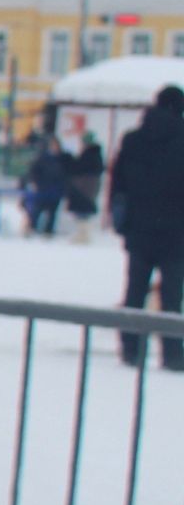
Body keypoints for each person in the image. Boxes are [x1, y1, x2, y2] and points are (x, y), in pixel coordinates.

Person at [110, 85, 184, 370]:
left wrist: (123, 222)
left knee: (134, 292)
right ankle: (173, 353)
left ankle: (130, 349)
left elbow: (118, 185)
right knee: (171, 297)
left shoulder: (133, 139)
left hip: (139, 229)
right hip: (176, 234)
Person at [65, 124, 107, 244]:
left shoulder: (91, 154)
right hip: (87, 186)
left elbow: (81, 168)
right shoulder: (95, 153)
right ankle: (82, 234)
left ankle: (84, 235)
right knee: (83, 211)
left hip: (85, 187)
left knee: (83, 210)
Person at [22, 131, 68, 236]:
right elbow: (34, 171)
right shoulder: (43, 158)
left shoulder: (63, 158)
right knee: (37, 210)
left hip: (56, 190)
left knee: (52, 212)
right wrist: (35, 182)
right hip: (43, 188)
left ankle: (48, 231)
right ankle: (32, 228)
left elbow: (65, 174)